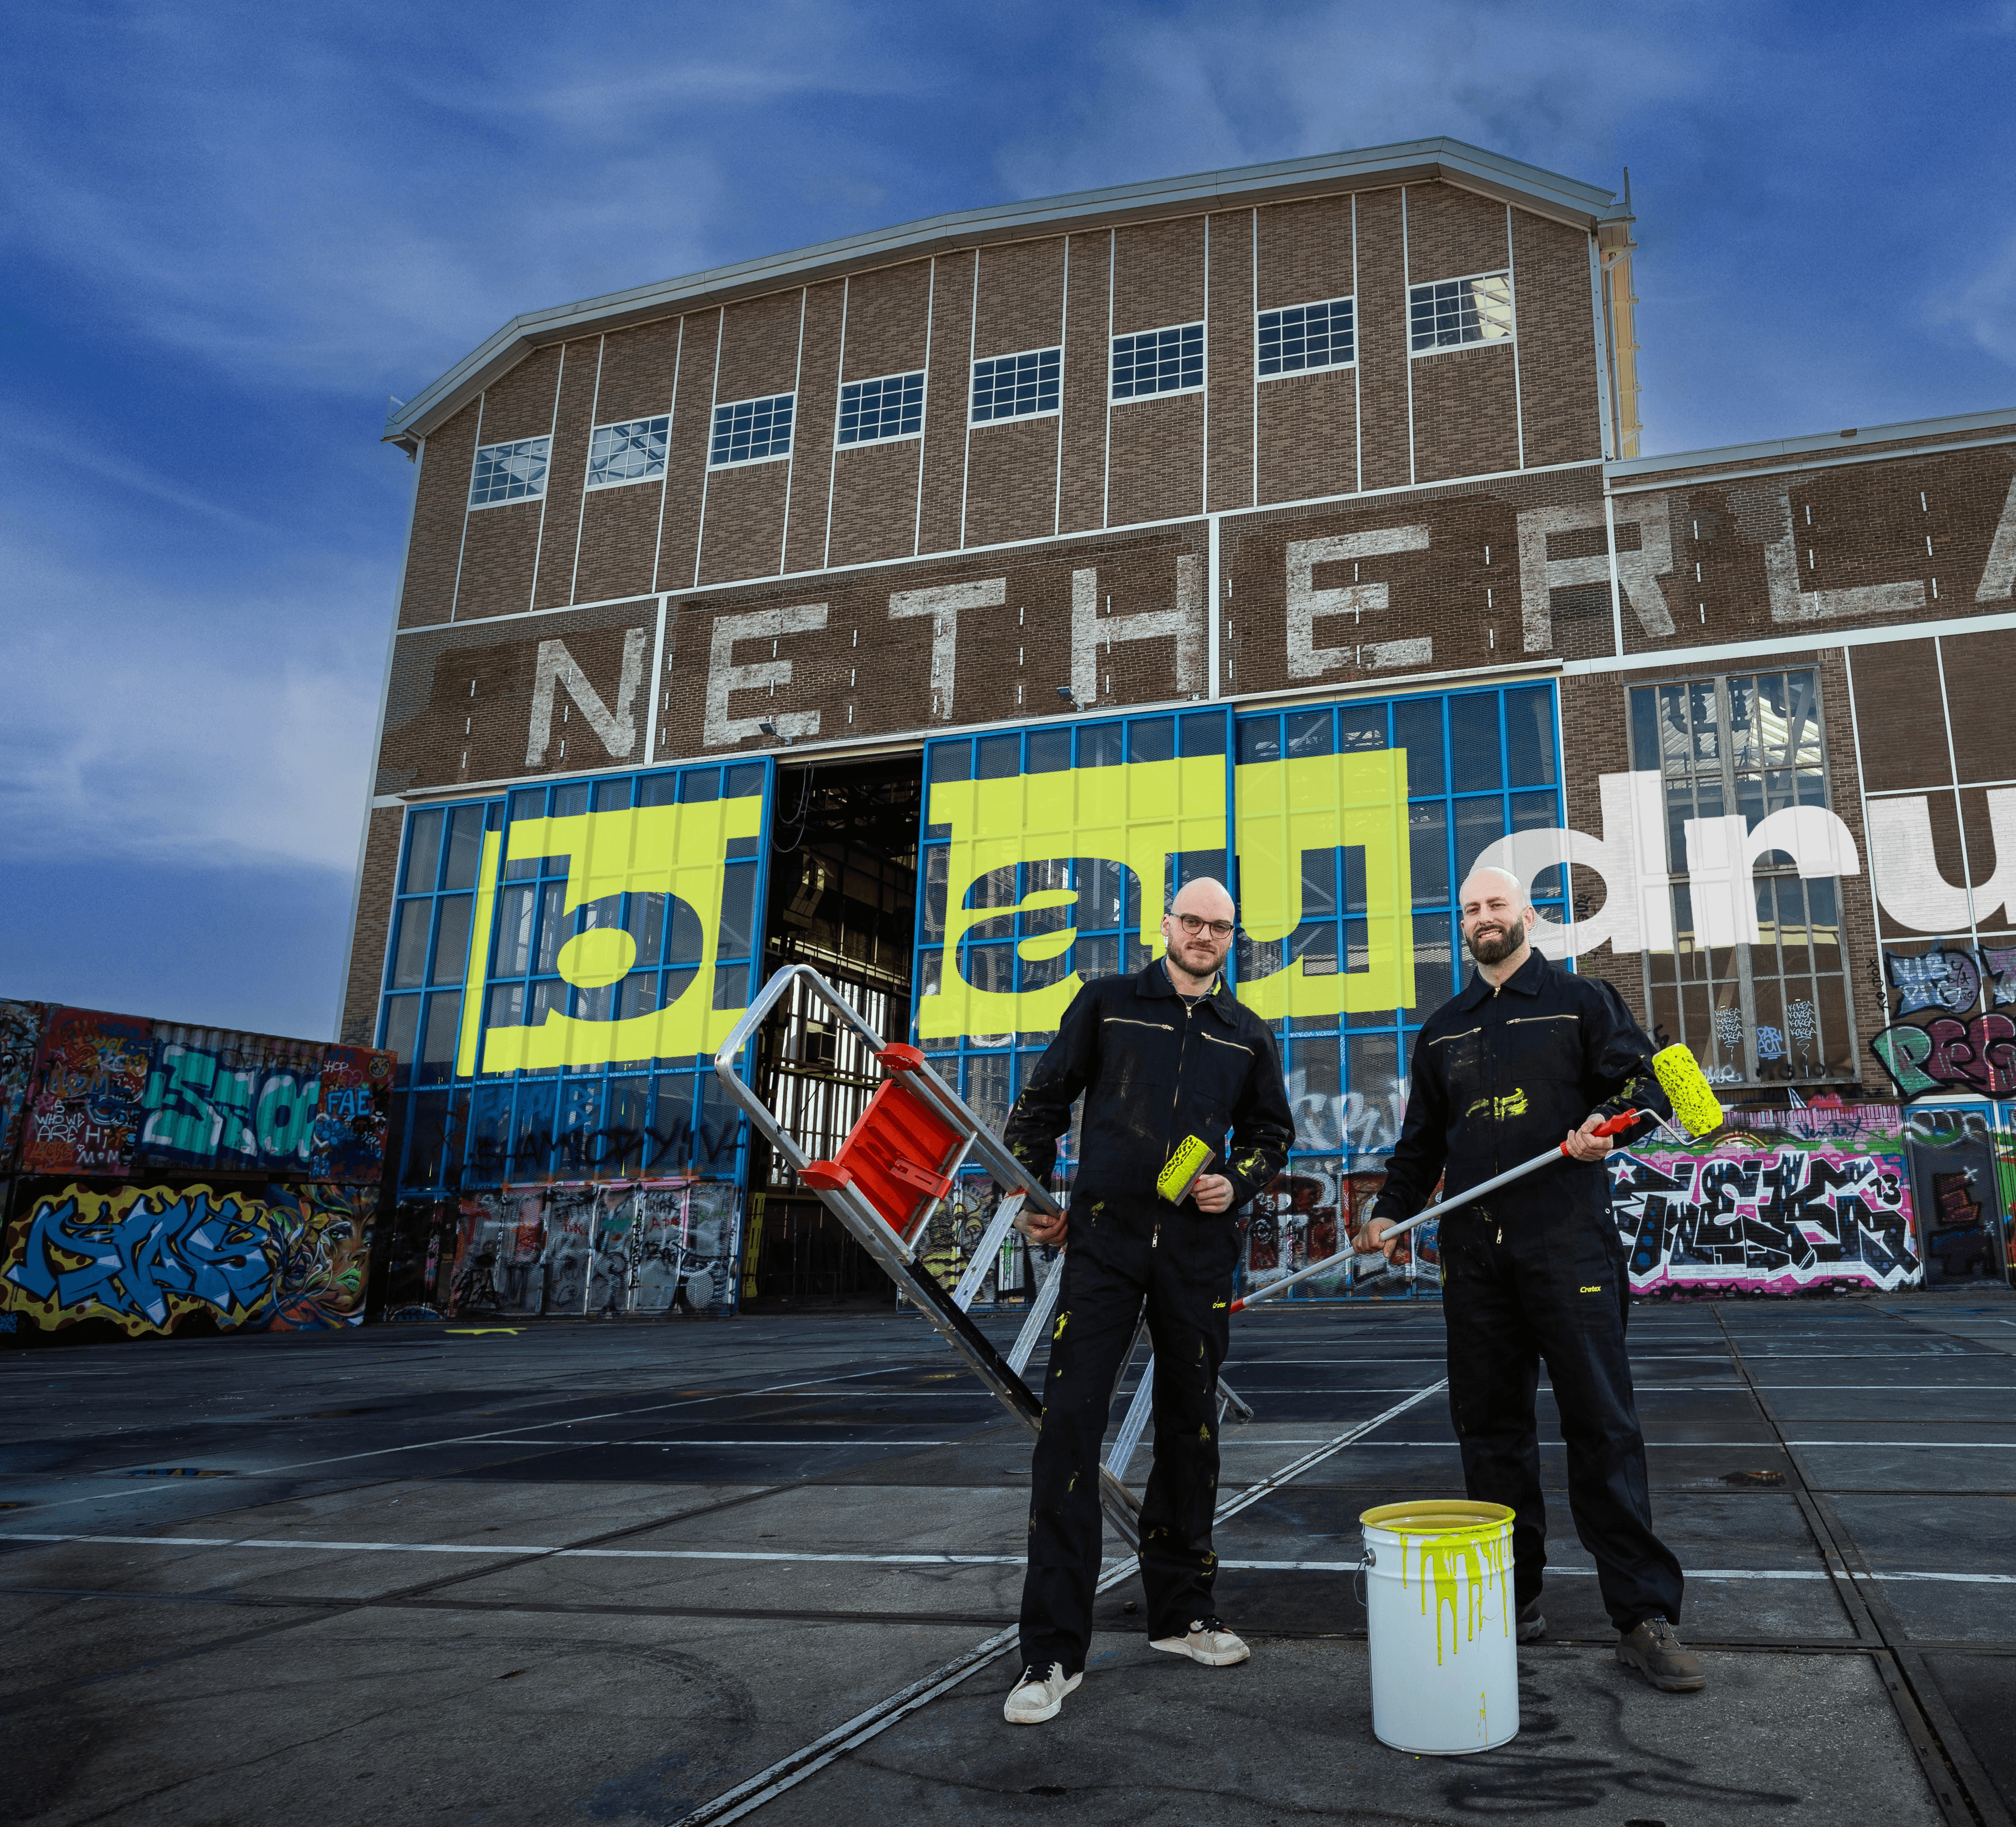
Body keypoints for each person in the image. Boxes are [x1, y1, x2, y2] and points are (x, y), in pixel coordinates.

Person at [1363, 865, 1705, 1694]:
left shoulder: (1583, 1001)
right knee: (1490, 1430)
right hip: (1474, 1257)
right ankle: (1509, 1602)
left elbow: (1647, 1085)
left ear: (1526, 914)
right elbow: (1420, 1145)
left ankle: (1642, 1617)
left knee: (1603, 1425)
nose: (1484, 917)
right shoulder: (1445, 1028)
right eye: (1472, 906)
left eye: (1497, 904)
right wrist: (1387, 1209)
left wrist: (1604, 1129)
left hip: (1569, 1250)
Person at [998, 876, 1294, 1724]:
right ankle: (1052, 1653)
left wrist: (1234, 1182)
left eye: (1220, 926)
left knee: (1190, 1431)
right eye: (1192, 921)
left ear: (1232, 937)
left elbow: (1273, 1135)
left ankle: (1182, 1614)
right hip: (1102, 1245)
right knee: (1068, 1435)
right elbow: (1041, 1103)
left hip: (1197, 1256)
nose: (1205, 934)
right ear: (1165, 924)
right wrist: (1034, 1194)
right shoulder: (1109, 1004)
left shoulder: (1247, 1033)